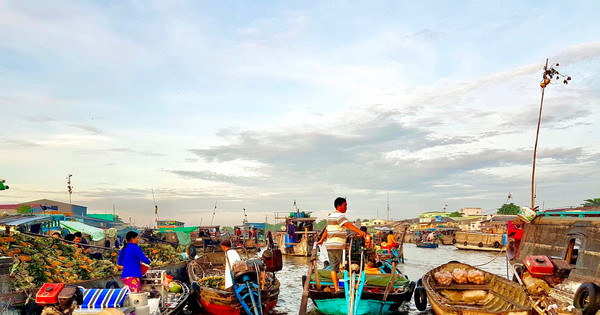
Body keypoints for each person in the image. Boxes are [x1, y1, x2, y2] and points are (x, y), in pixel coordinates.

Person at [317, 197, 366, 292]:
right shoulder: (339, 216)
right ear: (339, 206)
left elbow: (327, 229)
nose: (346, 207)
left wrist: (321, 240)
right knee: (348, 266)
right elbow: (348, 225)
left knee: (333, 268)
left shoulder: (331, 216)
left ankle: (336, 288)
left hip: (330, 245)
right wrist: (359, 231)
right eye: (344, 205)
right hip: (338, 245)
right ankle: (354, 286)